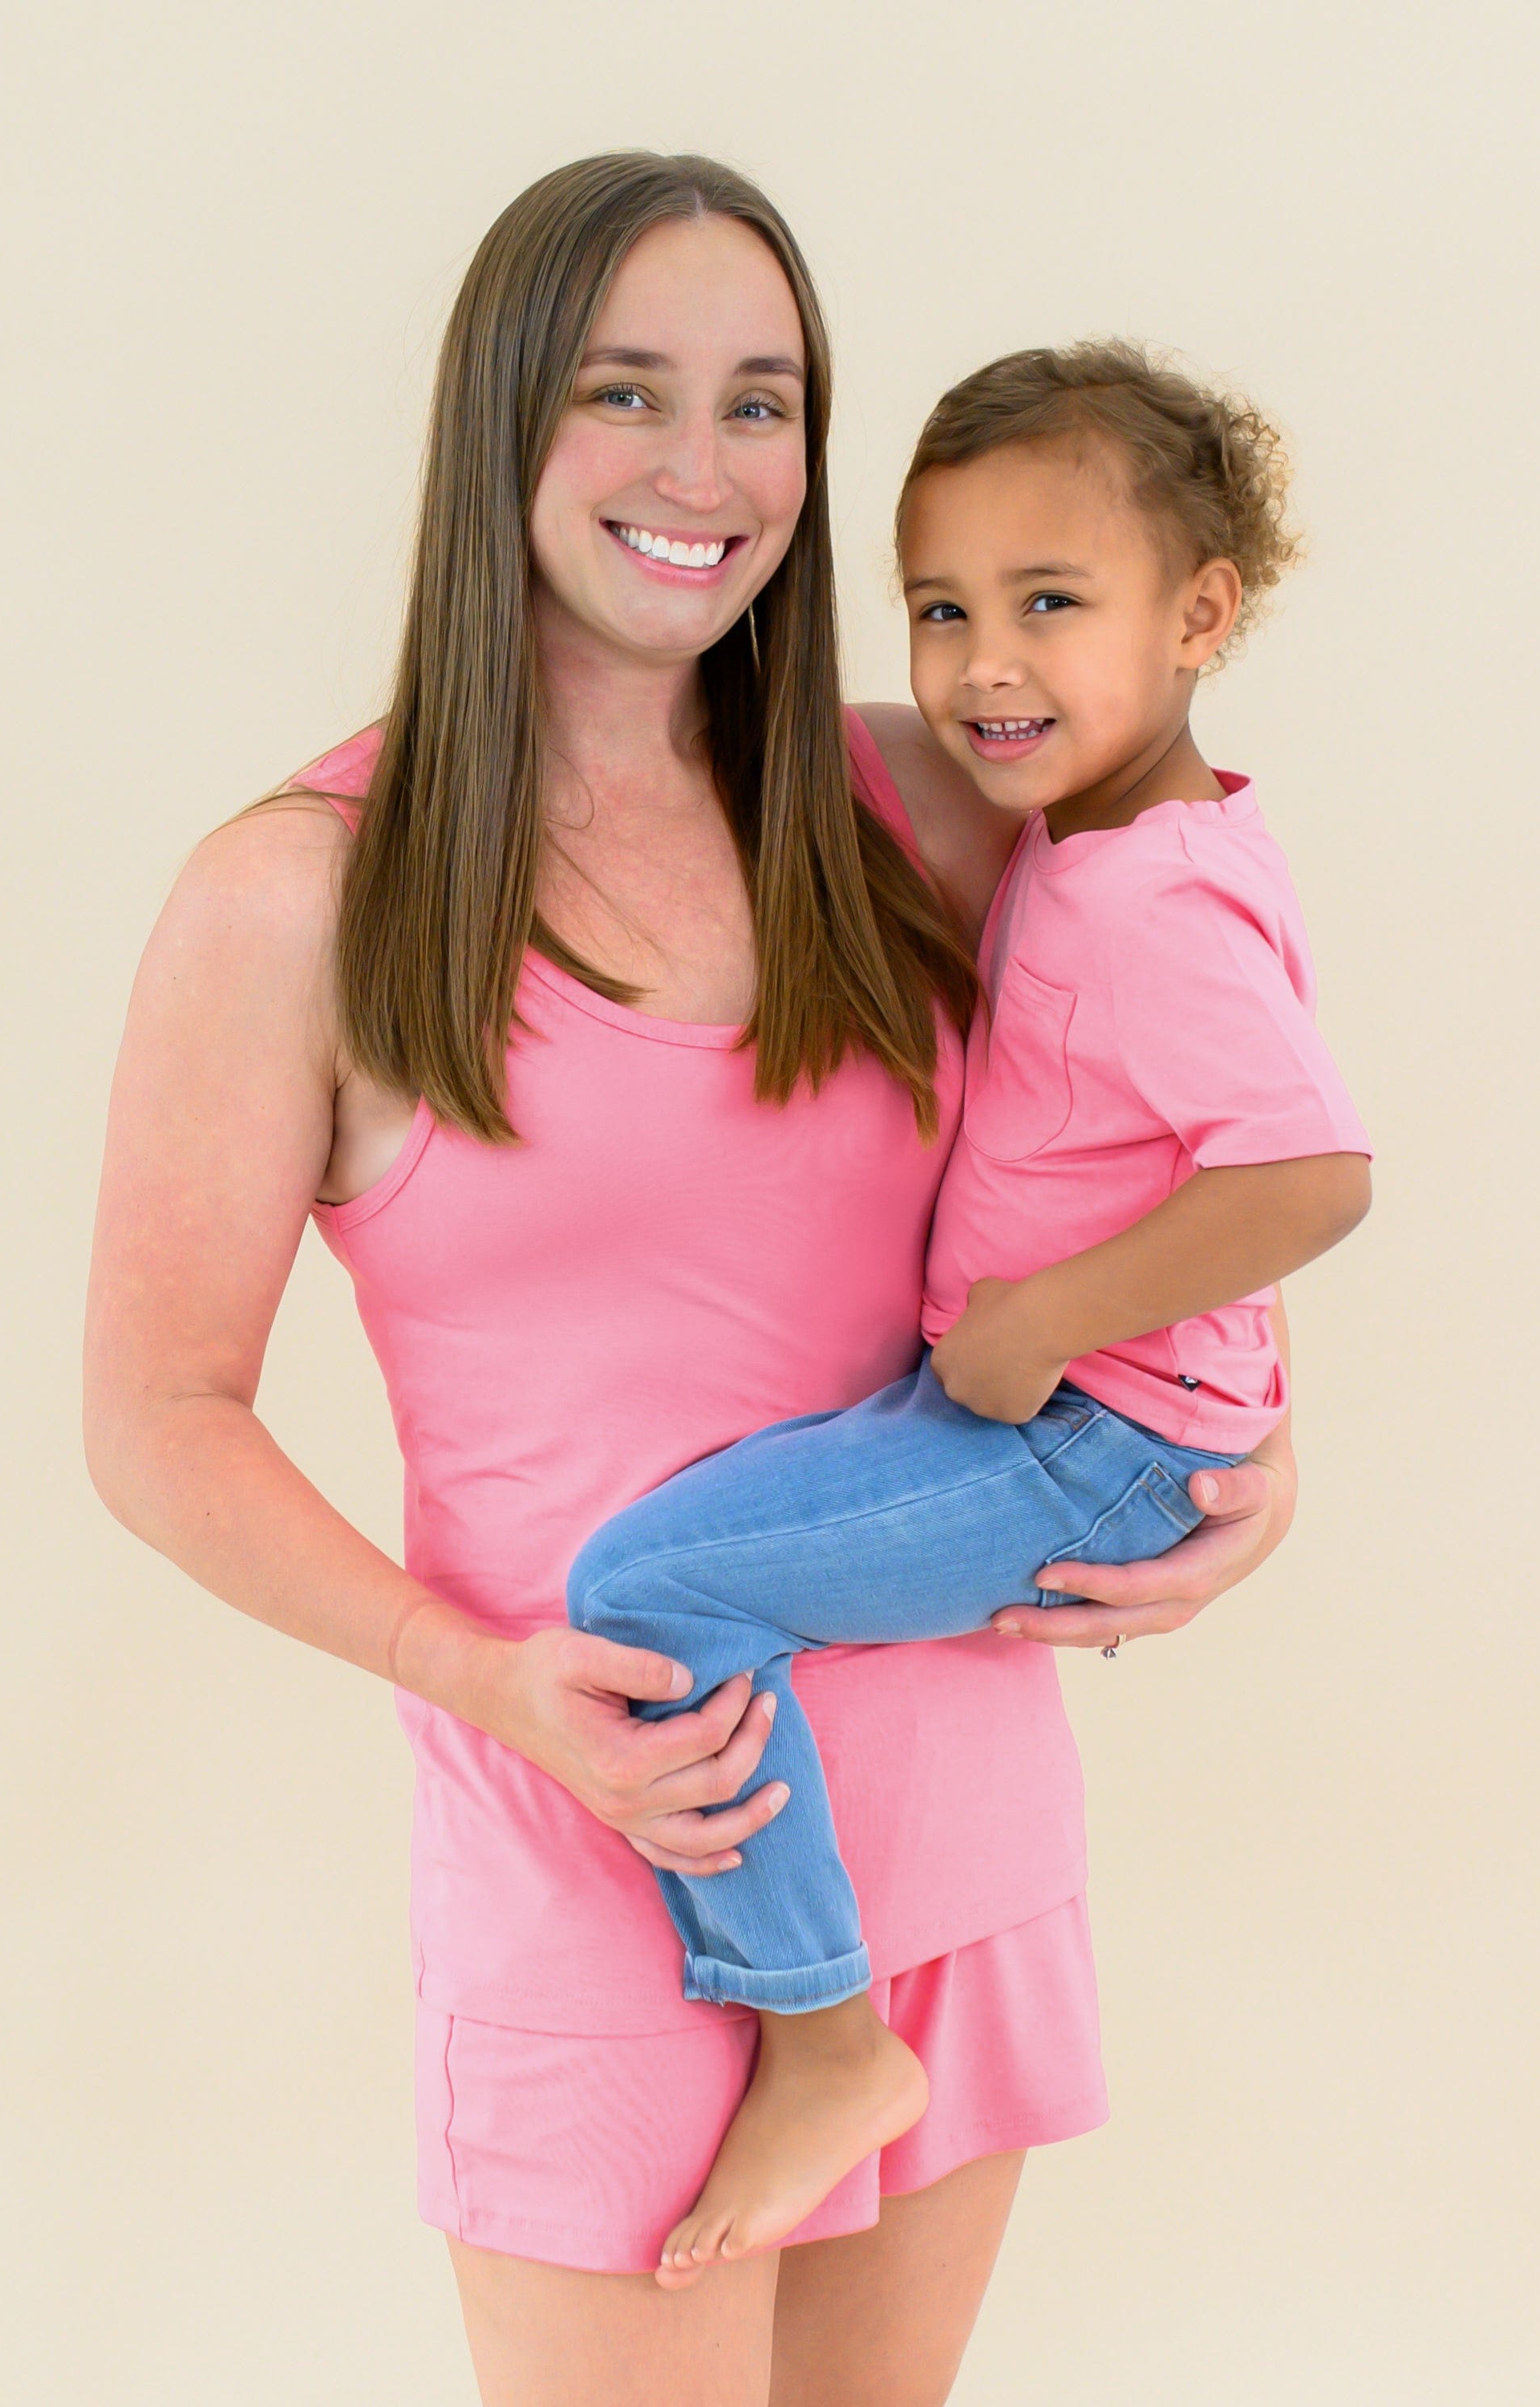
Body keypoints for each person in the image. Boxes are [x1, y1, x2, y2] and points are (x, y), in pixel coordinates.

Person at [83, 152, 1300, 2407]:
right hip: (605, 1842)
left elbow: (1184, 1114)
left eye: (763, 404)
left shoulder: (937, 806)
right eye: (626, 391)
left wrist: (1253, 1441)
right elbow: (159, 1418)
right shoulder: (298, 897)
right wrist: (476, 1674)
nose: (702, 468)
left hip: (953, 1819)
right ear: (503, 419)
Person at [563, 339, 1372, 2287]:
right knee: (687, 1566)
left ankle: (825, 2039)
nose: (985, 666)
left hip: (1084, 1432)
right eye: (941, 611)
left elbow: (1309, 1174)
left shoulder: (1144, 900)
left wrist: (1041, 1330)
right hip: (1100, 1404)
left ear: (1202, 616)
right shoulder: (1106, 838)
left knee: (650, 1591)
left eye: (1050, 605)